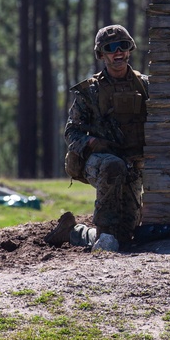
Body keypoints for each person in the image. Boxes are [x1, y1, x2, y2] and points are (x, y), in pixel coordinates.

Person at [44, 25, 149, 252]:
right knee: (113, 165)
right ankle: (105, 233)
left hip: (133, 165)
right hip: (100, 164)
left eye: (123, 46)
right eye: (111, 48)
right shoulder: (90, 91)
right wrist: (91, 143)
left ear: (130, 50)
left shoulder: (145, 85)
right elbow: (71, 131)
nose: (118, 52)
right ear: (101, 54)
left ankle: (74, 232)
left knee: (126, 236)